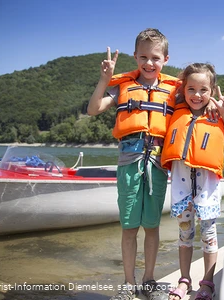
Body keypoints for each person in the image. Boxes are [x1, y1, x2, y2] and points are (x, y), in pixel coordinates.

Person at [87, 28, 177, 300]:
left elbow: (197, 102)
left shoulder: (174, 91)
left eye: (155, 58)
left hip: (158, 163)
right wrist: (104, 80)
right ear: (135, 57)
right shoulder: (122, 86)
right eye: (143, 57)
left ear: (166, 59)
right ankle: (128, 283)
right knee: (129, 226)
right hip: (130, 158)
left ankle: (149, 280)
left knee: (152, 226)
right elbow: (93, 109)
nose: (149, 63)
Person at [161, 63, 224, 300]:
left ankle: (207, 283)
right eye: (191, 89)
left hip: (207, 188)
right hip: (182, 185)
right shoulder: (176, 111)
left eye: (203, 90)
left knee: (209, 235)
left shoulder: (216, 114)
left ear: (212, 90)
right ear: (183, 89)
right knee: (184, 234)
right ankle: (184, 280)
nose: (197, 95)